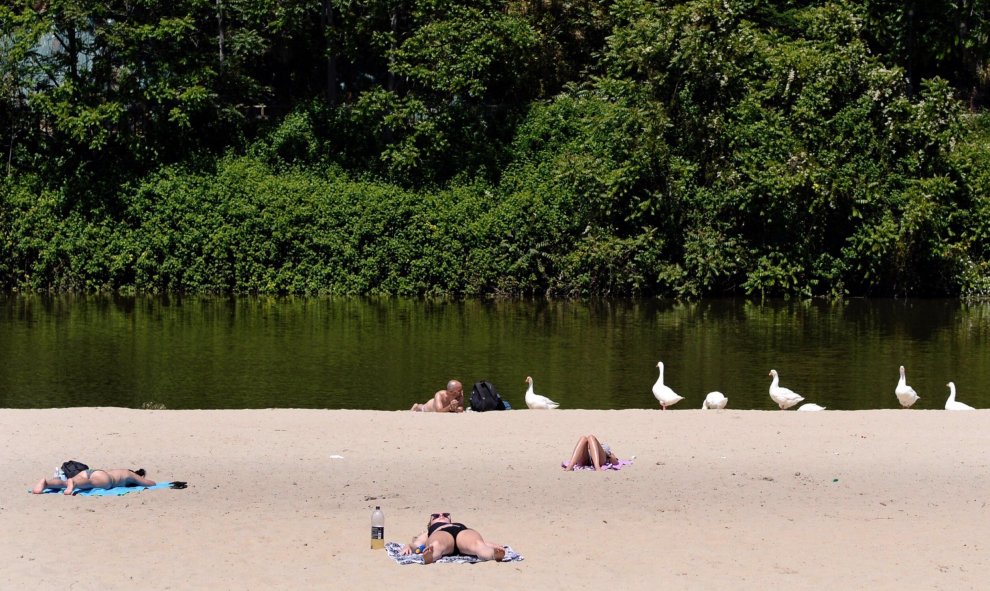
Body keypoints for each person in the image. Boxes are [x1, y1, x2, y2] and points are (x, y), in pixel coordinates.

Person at [399, 511, 506, 564]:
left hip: (462, 532)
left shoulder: (456, 524)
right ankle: (431, 556)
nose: (441, 516)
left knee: (478, 545)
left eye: (445, 515)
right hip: (442, 534)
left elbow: (483, 542)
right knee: (436, 544)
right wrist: (408, 546)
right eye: (436, 516)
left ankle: (492, 555)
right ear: (430, 523)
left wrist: (493, 547)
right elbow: (417, 544)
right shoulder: (428, 532)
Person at [32, 468, 156, 495]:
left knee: (65, 483)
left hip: (92, 471)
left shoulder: (118, 470)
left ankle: (46, 483)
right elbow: (149, 483)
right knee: (89, 484)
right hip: (106, 479)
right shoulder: (129, 474)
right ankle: (75, 484)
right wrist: (151, 482)